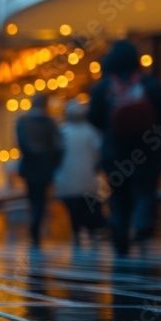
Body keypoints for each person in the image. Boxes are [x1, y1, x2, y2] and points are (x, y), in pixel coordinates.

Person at [88, 40, 161, 256]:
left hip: (115, 154)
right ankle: (143, 223)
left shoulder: (103, 87)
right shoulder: (149, 84)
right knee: (145, 192)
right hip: (147, 153)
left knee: (118, 198)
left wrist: (111, 129)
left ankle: (120, 239)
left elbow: (94, 118)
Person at [53, 99, 104, 246]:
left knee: (74, 209)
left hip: (68, 177)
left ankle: (77, 232)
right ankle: (91, 231)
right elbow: (98, 152)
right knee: (88, 206)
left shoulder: (63, 132)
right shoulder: (91, 131)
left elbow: (56, 154)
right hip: (88, 176)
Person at [16, 94, 60, 247]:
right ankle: (36, 227)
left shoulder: (22, 121)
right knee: (41, 200)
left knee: (33, 198)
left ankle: (34, 227)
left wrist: (33, 152)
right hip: (45, 166)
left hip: (30, 166)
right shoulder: (49, 122)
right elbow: (55, 145)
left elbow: (21, 143)